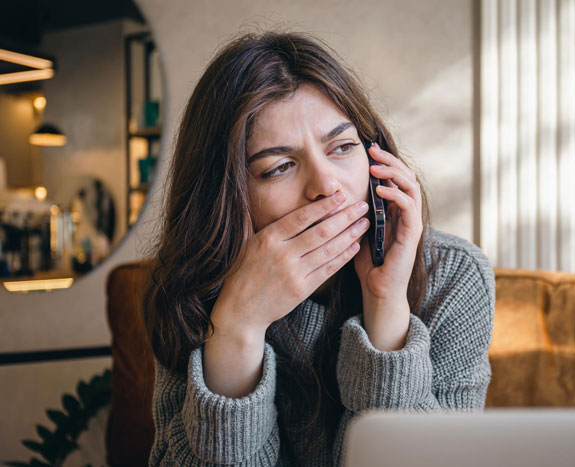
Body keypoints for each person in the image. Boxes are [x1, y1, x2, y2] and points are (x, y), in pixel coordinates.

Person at [143, 30, 495, 467]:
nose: (328, 185)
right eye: (279, 167)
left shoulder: (453, 275)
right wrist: (236, 329)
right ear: (227, 195)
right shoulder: (197, 287)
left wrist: (386, 308)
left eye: (343, 147)